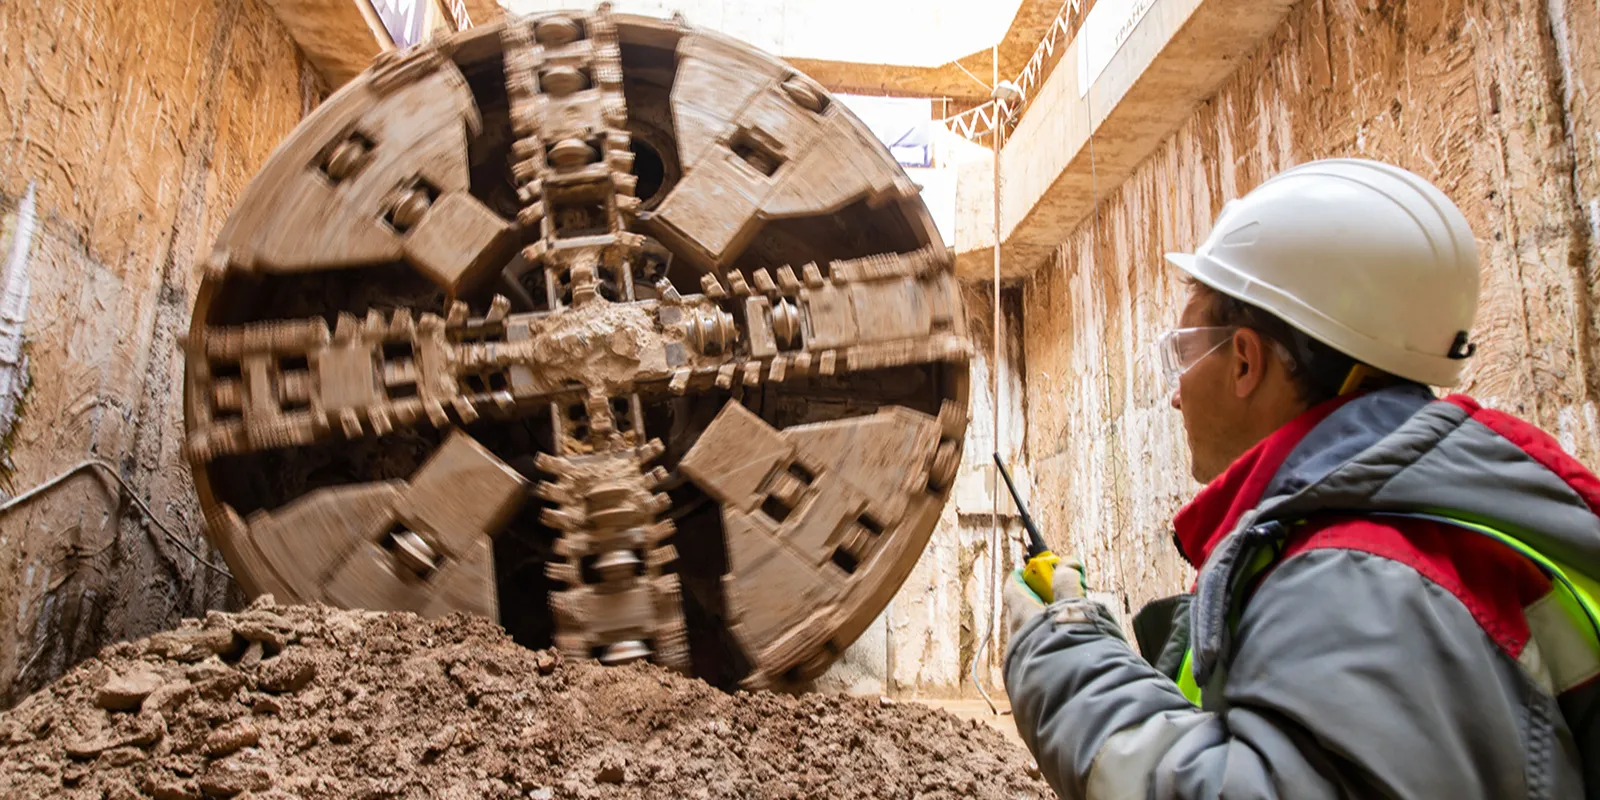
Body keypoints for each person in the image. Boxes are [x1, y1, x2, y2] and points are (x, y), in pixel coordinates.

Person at [1003, 158, 1599, 798]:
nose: (1176, 395)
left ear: (1243, 361)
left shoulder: (1365, 576)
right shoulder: (1447, 521)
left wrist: (1066, 655)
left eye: (1184, 350)